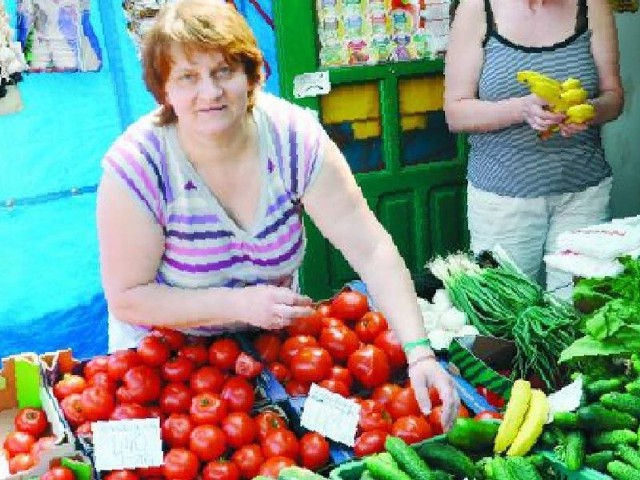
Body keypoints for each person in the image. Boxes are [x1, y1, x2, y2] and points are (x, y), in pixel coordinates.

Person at [96, 0, 459, 429]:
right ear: (163, 90)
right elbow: (128, 296)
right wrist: (239, 302)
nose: (210, 92)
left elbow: (371, 247)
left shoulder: (292, 137)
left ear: (251, 74)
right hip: (167, 364)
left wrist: (418, 349)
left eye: (224, 71)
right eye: (188, 77)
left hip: (267, 346)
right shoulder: (139, 167)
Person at [444, 0, 623, 295]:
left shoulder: (592, 6)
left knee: (577, 313)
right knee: (505, 314)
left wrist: (589, 110)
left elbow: (613, 97)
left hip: (584, 194)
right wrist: (522, 110)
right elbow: (456, 113)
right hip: (503, 200)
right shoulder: (477, 8)